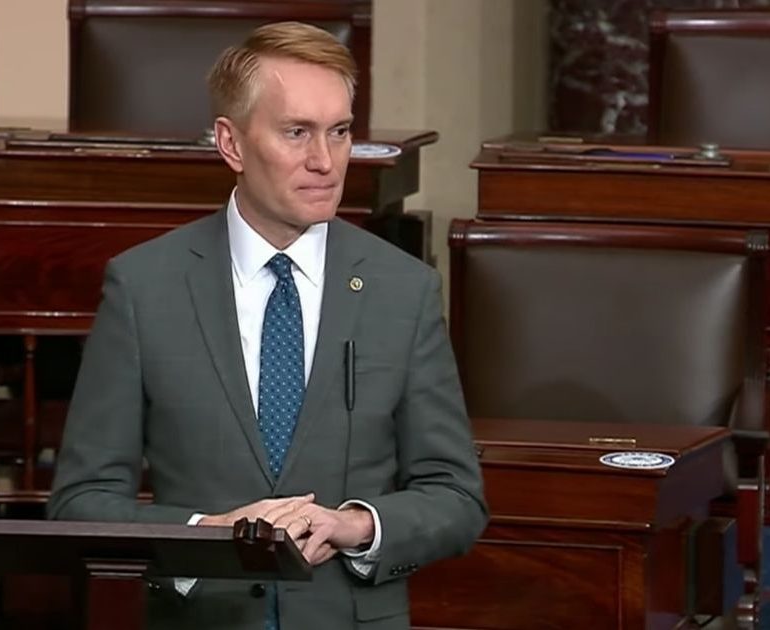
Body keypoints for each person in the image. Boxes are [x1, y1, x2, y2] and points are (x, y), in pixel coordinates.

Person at [47, 20, 487, 630]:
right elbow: (80, 502)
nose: (325, 161)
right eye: (296, 132)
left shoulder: (403, 290)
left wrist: (355, 525)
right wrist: (205, 535)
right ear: (231, 143)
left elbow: (456, 497)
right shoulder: (144, 287)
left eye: (339, 132)